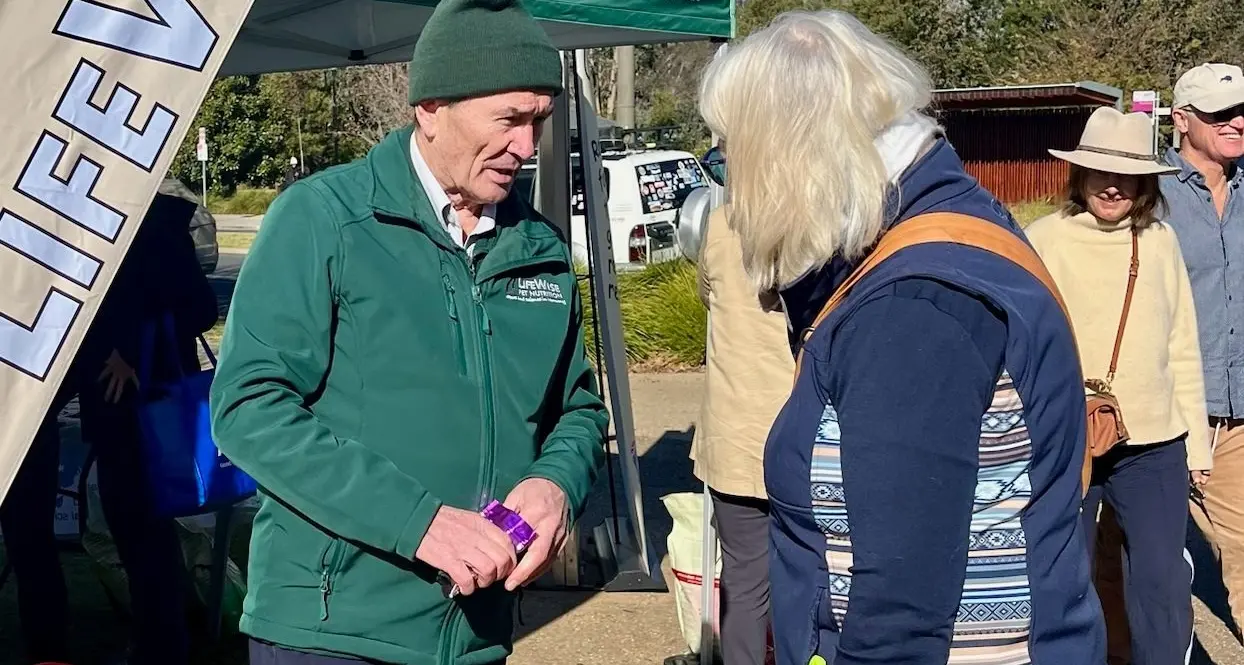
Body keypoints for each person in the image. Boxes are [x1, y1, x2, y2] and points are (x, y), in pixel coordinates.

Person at [698, 10, 1103, 665]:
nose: (731, 190)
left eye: (727, 157)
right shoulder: (954, 225)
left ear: (787, 153)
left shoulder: (912, 310)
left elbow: (899, 613)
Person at [208, 1, 608, 664]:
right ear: (430, 107)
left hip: (477, 636)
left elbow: (578, 408)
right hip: (331, 633)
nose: (527, 147)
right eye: (510, 119)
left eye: (539, 120)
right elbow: (250, 407)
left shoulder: (538, 247)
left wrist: (556, 482)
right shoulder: (325, 220)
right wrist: (418, 521)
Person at [0, 192, 218, 665]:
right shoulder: (39, 208)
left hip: (132, 396)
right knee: (40, 518)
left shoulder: (153, 217)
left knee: (135, 522)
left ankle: (158, 646)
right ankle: (55, 646)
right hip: (64, 385)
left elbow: (197, 308)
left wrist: (132, 351)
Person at [1026, 106, 1210, 665]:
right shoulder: (1041, 240)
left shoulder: (1160, 242)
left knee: (1161, 583)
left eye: (1127, 173)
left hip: (1154, 442)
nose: (1113, 186)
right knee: (1066, 578)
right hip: (1066, 437)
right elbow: (1021, 346)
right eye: (1100, 172)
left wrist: (1197, 443)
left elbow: (1183, 343)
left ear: (1146, 182)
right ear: (1079, 175)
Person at [693, 180, 794, 665]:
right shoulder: (829, 227)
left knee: (744, 584)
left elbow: (708, 298)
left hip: (734, 434)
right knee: (812, 581)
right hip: (803, 436)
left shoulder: (720, 223)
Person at [1161, 62, 1244, 639]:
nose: (1237, 122)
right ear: (1183, 120)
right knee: (1131, 552)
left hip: (1238, 409)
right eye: (1221, 114)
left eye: (1243, 113)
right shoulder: (1147, 191)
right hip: (1162, 406)